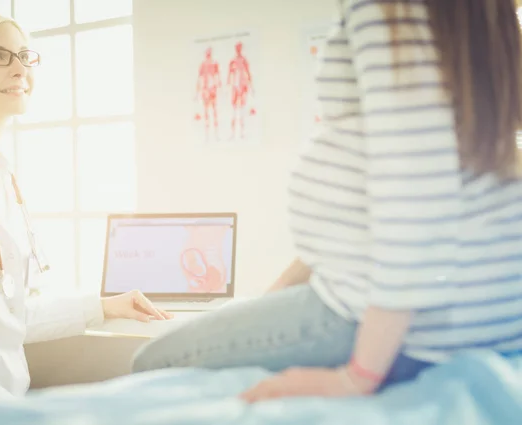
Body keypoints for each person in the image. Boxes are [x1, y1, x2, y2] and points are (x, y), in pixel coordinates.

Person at [132, 0, 522, 402]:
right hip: (485, 307)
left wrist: (358, 377)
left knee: (153, 363)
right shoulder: (479, 11)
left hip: (414, 322)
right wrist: (275, 297)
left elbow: (414, 193)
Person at [0, 11, 172, 398]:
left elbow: (12, 315)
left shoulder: (4, 179)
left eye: (24, 55)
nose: (19, 68)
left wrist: (103, 306)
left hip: (7, 396)